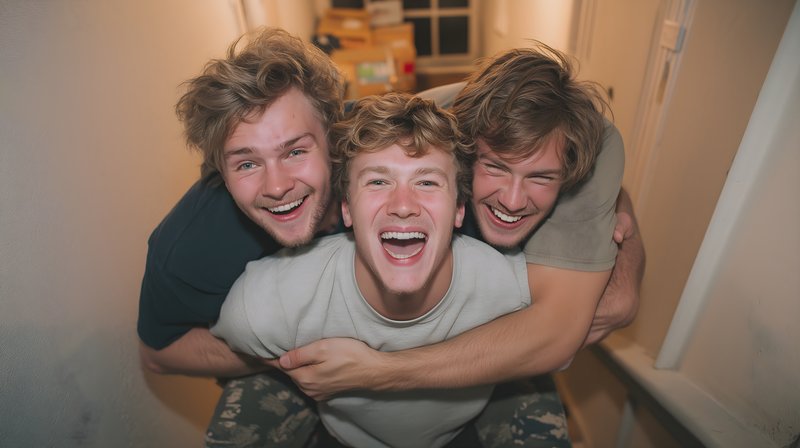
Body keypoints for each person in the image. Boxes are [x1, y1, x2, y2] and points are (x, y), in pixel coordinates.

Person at [137, 27, 642, 447]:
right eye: (246, 162)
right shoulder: (196, 249)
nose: (277, 185)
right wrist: (308, 344)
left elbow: (558, 322)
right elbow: (159, 354)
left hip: (470, 375)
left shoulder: (429, 157)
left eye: (295, 150)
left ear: (334, 138)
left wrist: (623, 241)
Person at [212, 92, 536, 448]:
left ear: (459, 210)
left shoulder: (510, 285)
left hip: (464, 431)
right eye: (378, 181)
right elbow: (229, 342)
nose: (402, 206)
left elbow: (573, 323)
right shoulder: (268, 301)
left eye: (427, 182)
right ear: (347, 209)